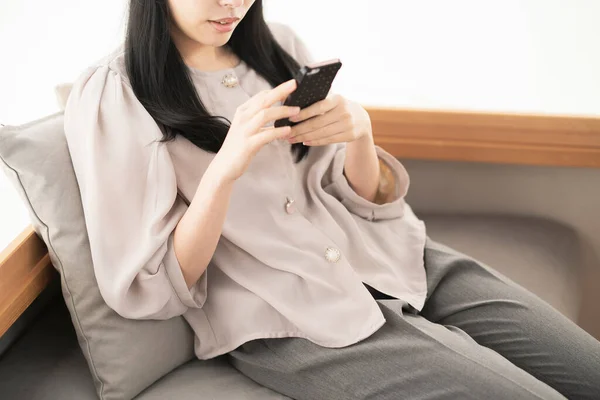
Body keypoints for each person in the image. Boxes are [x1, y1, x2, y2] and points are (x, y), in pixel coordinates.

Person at [63, 0, 600, 398]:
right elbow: (151, 285)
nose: (233, 5)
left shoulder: (279, 47)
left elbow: (364, 201)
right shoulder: (114, 93)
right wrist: (223, 171)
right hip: (292, 320)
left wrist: (359, 133)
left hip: (395, 259)